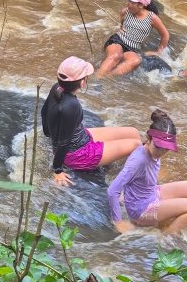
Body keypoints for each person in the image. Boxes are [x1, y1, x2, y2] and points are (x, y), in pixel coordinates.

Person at [41, 57, 141, 187]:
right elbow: (64, 142)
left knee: (133, 132)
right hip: (78, 154)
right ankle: (132, 181)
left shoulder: (57, 88)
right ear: (82, 83)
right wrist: (58, 170)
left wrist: (49, 135)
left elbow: (44, 111)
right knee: (136, 144)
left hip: (81, 137)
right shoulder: (72, 105)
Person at [107, 110, 187, 234]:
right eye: (158, 147)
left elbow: (142, 178)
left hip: (151, 194)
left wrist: (127, 193)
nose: (161, 152)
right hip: (141, 210)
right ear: (148, 138)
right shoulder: (138, 161)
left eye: (166, 149)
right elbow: (112, 191)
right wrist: (118, 222)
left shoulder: (153, 152)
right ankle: (166, 236)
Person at [96, 0, 169, 78]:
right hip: (117, 41)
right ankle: (97, 78)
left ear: (141, 5)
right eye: (128, 0)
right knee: (116, 55)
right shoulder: (125, 12)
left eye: (131, 2)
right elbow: (122, 24)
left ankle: (107, 77)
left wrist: (158, 52)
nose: (128, 4)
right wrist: (120, 27)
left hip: (132, 49)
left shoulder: (152, 18)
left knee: (135, 61)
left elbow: (165, 35)